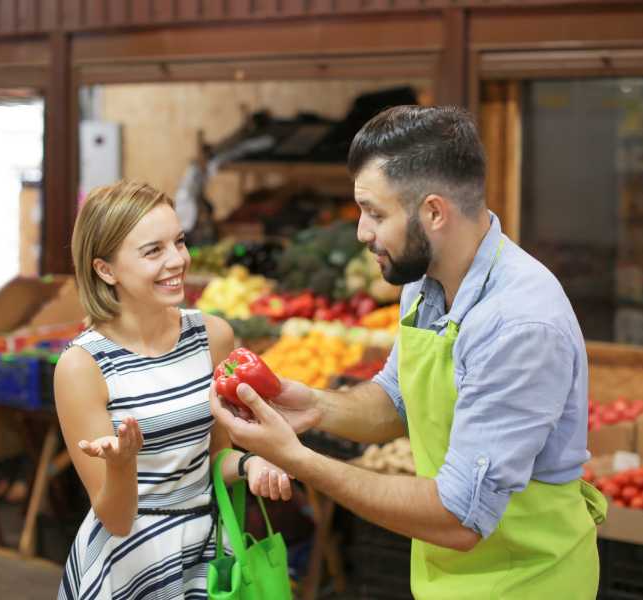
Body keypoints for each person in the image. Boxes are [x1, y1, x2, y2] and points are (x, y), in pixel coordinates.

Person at [211, 106, 606, 599]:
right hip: (448, 581)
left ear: (434, 213)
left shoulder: (518, 324)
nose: (361, 231)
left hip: (526, 582)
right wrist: (313, 406)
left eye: (375, 213)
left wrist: (298, 461)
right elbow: (396, 401)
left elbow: (460, 517)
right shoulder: (424, 281)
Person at [55, 180, 293, 600]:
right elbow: (115, 518)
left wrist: (250, 465)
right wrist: (123, 465)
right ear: (105, 269)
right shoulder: (83, 366)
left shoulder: (213, 336)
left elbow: (214, 455)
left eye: (178, 242)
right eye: (153, 251)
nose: (177, 260)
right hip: (129, 565)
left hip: (206, 555)